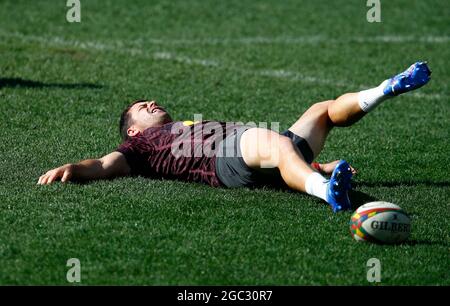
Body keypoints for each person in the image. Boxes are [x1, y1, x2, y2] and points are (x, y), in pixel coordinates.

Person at [37, 62, 431, 212]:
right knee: (276, 144)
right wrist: (73, 167)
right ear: (134, 129)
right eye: (143, 105)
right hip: (226, 158)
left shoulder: (185, 126)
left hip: (255, 147)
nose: (152, 101)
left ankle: (384, 88)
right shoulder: (136, 147)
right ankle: (326, 191)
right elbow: (104, 165)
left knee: (322, 110)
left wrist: (310, 159)